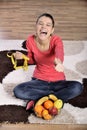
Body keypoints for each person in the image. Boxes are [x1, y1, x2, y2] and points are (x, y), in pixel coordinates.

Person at [13, 13, 83, 110]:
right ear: (36, 26)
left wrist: (58, 63)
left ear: (52, 30)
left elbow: (59, 54)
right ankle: (56, 99)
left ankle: (39, 99)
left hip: (59, 82)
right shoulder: (30, 40)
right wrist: (23, 57)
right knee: (18, 90)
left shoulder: (56, 40)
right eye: (40, 24)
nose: (43, 27)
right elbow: (32, 60)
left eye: (48, 25)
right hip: (39, 81)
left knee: (78, 87)